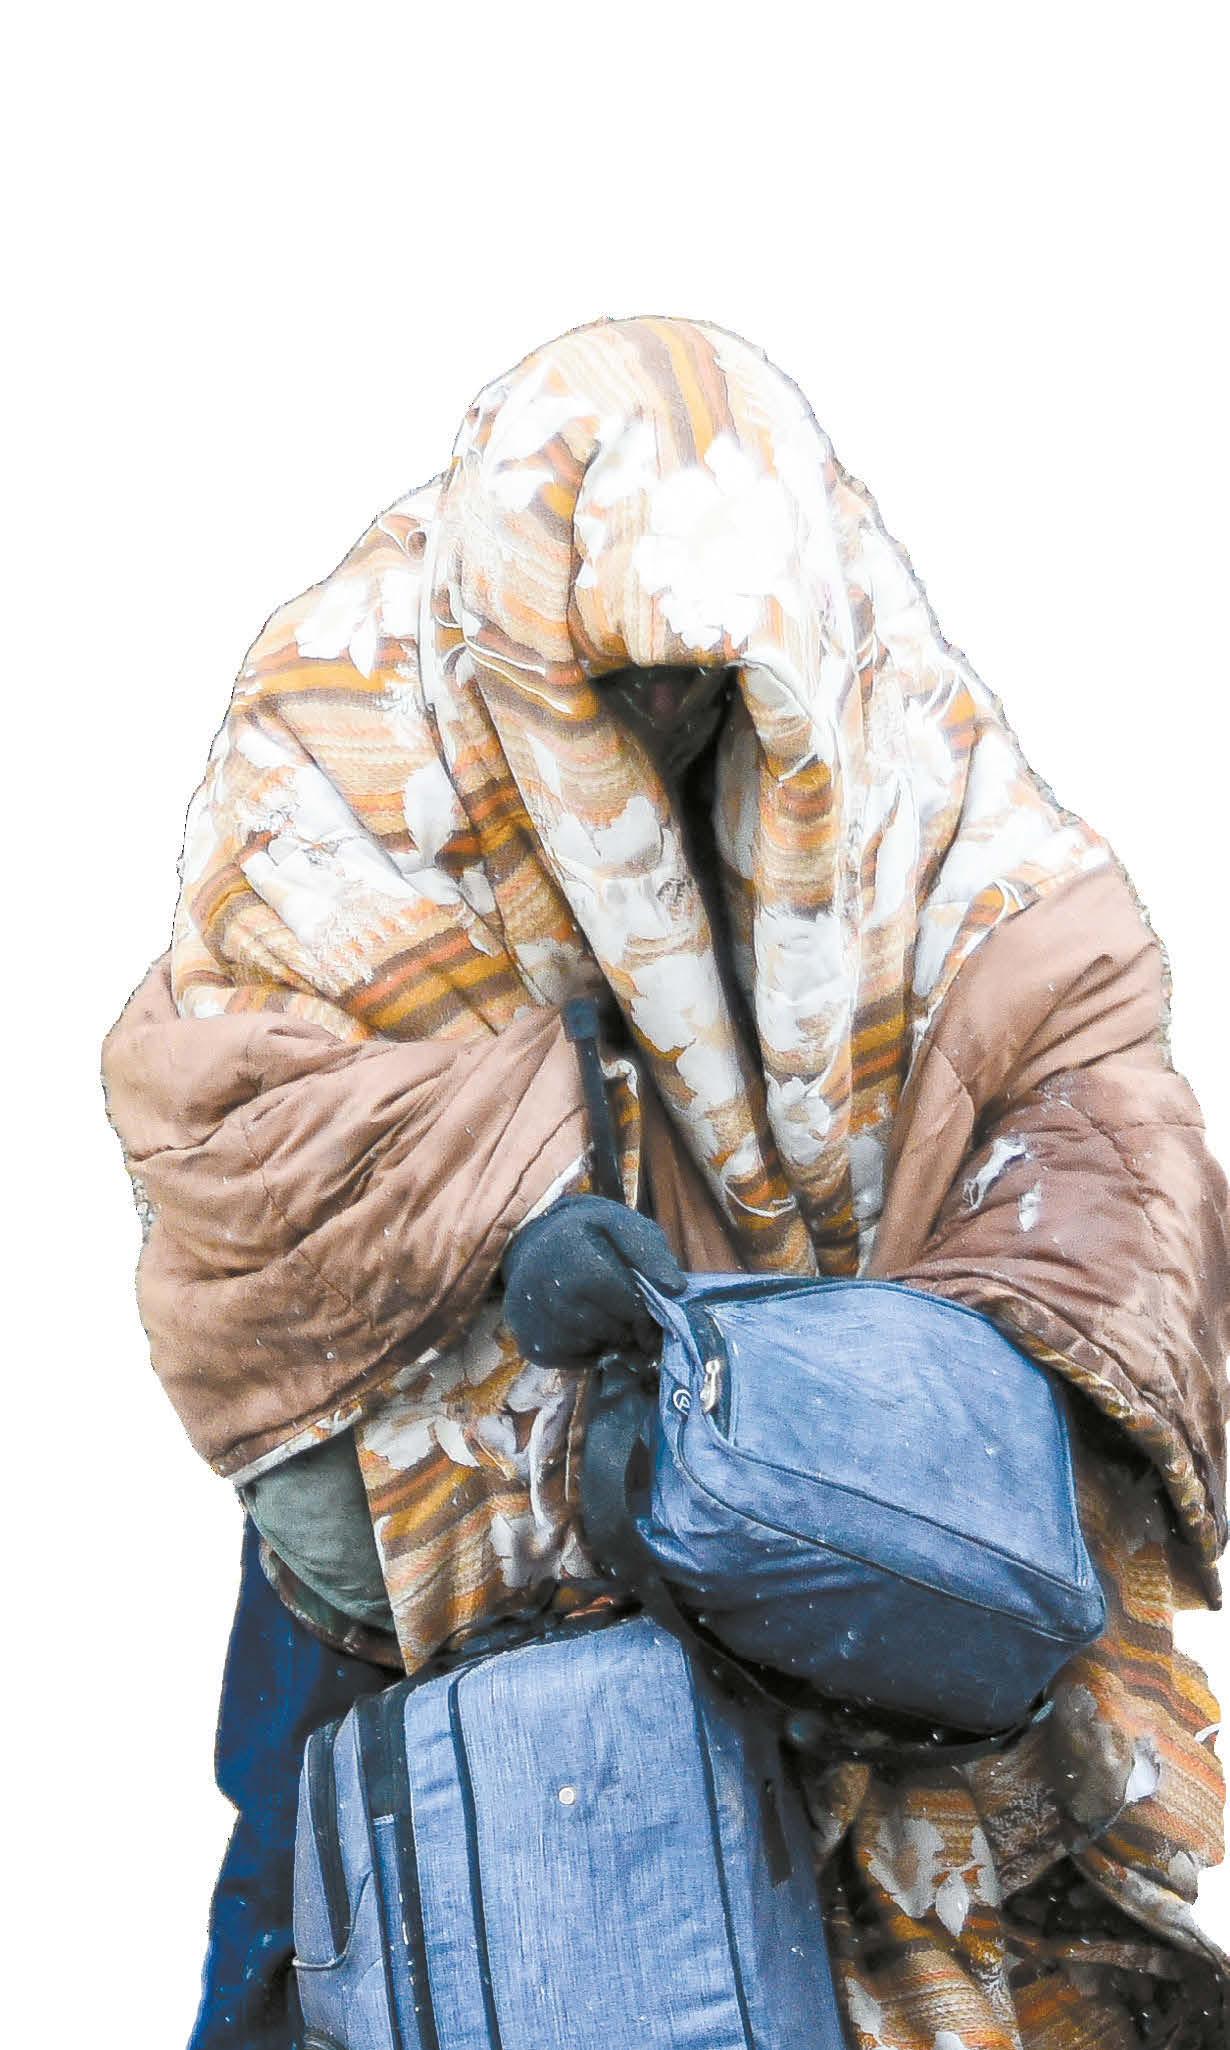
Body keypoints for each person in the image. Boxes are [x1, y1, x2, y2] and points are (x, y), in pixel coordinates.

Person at [103, 315, 1229, 2049]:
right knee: (381, 1925)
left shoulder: (905, 739)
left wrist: (901, 1400)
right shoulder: (338, 739)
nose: (664, 715)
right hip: (427, 1589)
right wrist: (528, 1217)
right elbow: (233, 1127)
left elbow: (1087, 1077)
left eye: (707, 676)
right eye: (619, 677)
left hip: (839, 1542)